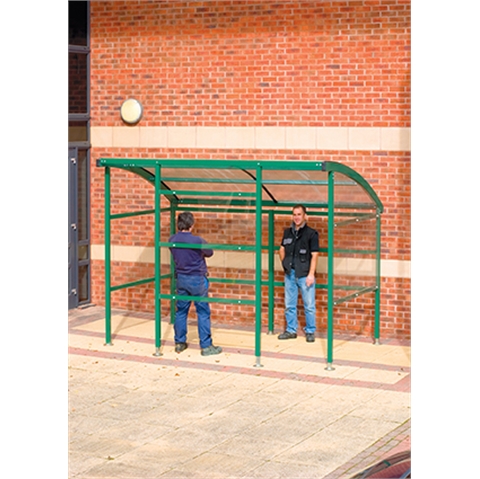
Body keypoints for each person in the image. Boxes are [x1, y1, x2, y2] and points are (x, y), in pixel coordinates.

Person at [169, 212, 222, 356]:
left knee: (181, 311)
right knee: (203, 311)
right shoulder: (197, 241)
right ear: (192, 225)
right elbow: (209, 252)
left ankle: (179, 342)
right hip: (197, 278)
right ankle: (206, 346)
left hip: (181, 278)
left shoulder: (172, 239)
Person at [278, 204, 319, 342]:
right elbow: (281, 249)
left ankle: (310, 331)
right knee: (289, 304)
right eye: (294, 214)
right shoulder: (287, 232)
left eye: (299, 214)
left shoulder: (311, 234)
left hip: (305, 275)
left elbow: (314, 255)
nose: (296, 217)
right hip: (290, 274)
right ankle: (291, 330)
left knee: (309, 305)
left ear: (305, 216)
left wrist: (311, 274)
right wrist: (285, 264)